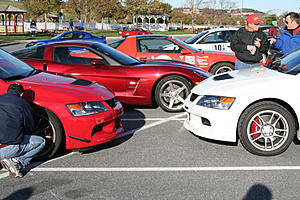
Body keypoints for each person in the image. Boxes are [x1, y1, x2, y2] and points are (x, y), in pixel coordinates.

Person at [0, 83, 45, 178]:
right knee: (41, 142)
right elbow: (29, 127)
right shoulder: (23, 104)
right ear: (21, 94)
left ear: (6, 91)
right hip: (7, 148)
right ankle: (18, 162)